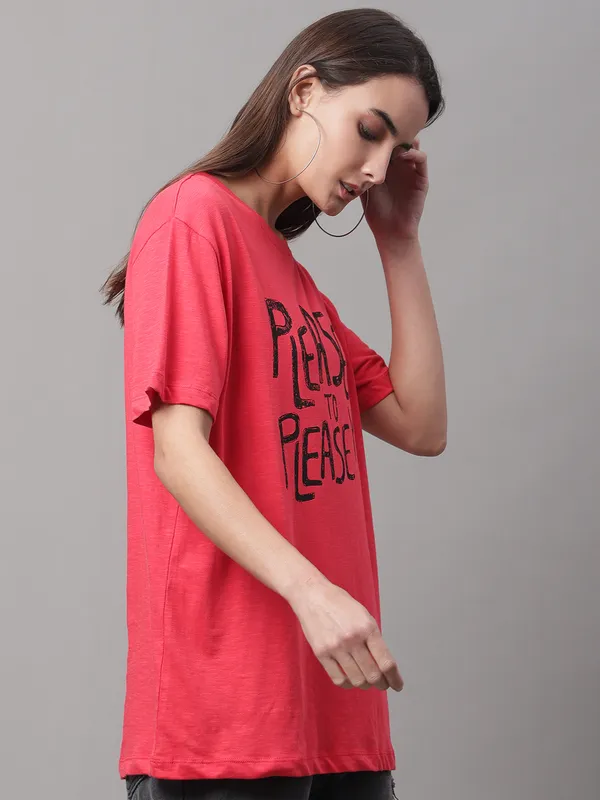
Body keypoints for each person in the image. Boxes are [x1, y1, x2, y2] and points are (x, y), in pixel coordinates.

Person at [100, 7, 447, 800]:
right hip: (223, 721)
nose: (377, 167)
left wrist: (399, 243)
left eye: (396, 149)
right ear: (303, 90)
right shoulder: (192, 220)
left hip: (336, 714)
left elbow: (422, 426)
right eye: (370, 130)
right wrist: (312, 592)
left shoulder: (296, 285)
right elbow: (177, 449)